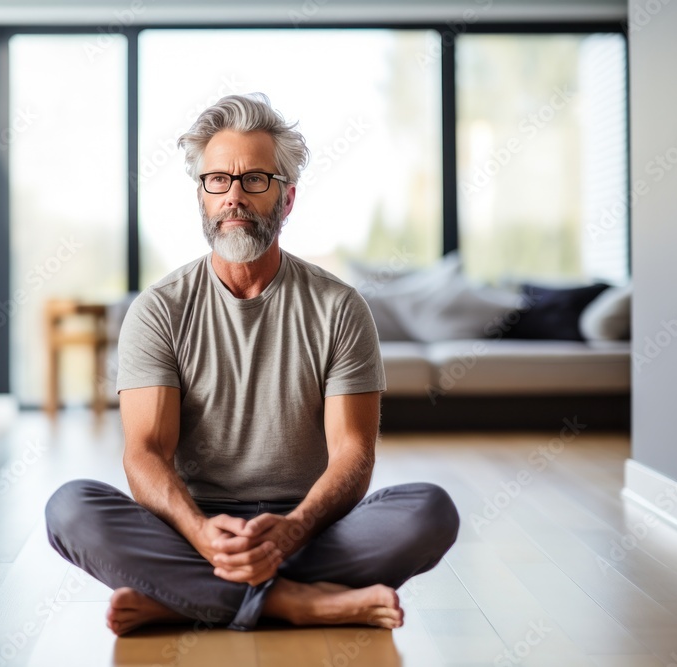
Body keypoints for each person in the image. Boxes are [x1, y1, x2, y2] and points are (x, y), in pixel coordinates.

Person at [45, 93, 459, 636]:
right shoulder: (159, 309)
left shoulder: (339, 308)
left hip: (308, 526)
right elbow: (145, 453)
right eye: (216, 180)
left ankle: (183, 599)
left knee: (430, 511)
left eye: (254, 180)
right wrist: (199, 533)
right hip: (194, 525)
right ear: (201, 196)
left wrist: (292, 530)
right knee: (71, 509)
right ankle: (300, 604)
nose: (233, 197)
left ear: (286, 200)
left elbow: (354, 455)